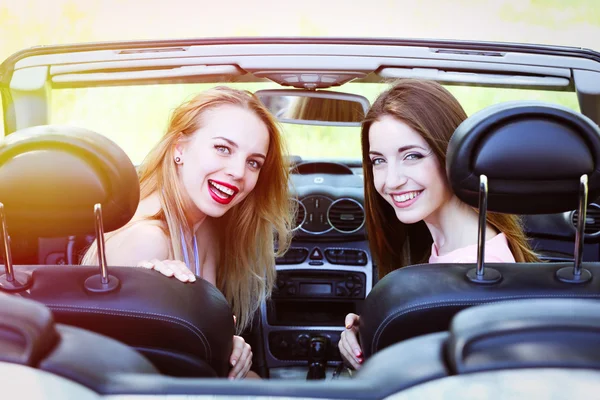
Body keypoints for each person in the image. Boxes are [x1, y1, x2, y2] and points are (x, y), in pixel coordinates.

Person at [81, 86, 293, 379]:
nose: (238, 172)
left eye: (253, 162)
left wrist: (230, 346)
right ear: (179, 148)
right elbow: (116, 373)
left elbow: (196, 346)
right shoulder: (147, 240)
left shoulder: (206, 226)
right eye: (223, 149)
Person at [338, 79, 539, 370]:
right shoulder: (456, 248)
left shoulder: (480, 271)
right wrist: (376, 328)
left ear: (454, 156)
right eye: (378, 160)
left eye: (412, 156)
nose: (391, 180)